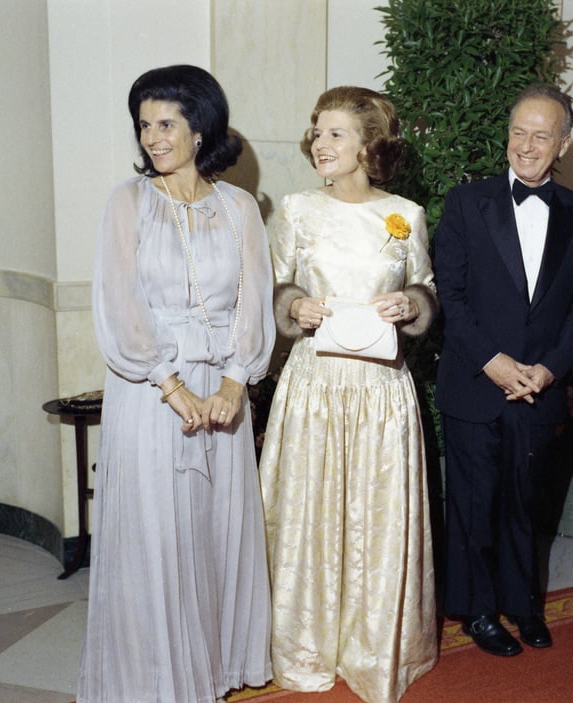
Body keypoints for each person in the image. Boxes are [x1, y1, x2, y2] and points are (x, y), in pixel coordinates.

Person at [81, 64, 275, 702]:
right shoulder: (127, 202)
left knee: (214, 532)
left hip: (223, 392)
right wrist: (172, 387)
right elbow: (119, 305)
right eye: (144, 125)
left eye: (167, 123)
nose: (153, 138)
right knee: (155, 537)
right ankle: (157, 682)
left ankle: (214, 670)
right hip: (150, 393)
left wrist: (233, 384)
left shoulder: (240, 207)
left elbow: (253, 303)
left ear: (201, 129)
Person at [258, 86, 438, 703]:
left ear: (369, 146)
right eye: (316, 131)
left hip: (381, 391)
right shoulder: (296, 209)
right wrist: (293, 305)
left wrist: (411, 305)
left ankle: (372, 649)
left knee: (375, 518)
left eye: (335, 133)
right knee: (310, 513)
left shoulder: (405, 215)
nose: (320, 143)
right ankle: (305, 643)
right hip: (313, 386)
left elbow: (425, 289)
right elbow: (276, 287)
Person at [435, 83, 573, 657]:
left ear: (563, 144)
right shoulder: (466, 203)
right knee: (476, 501)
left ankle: (523, 603)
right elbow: (449, 298)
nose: (526, 146)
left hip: (539, 387)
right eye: (518, 132)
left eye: (541, 135)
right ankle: (478, 611)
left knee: (526, 502)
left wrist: (550, 370)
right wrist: (493, 362)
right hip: (476, 382)